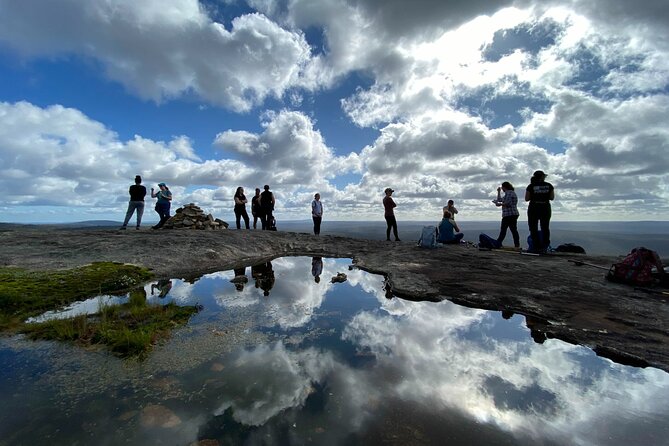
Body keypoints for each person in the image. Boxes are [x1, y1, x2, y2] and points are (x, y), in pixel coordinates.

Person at [525, 170, 554, 253]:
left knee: (533, 227)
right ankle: (544, 246)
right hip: (545, 207)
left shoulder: (531, 186)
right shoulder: (549, 185)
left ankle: (536, 246)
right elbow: (552, 197)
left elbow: (527, 198)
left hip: (533, 207)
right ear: (542, 177)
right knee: (545, 227)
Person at [494, 182, 520, 248]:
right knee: (513, 230)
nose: (502, 189)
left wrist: (499, 204)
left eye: (502, 187)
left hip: (509, 214)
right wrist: (498, 192)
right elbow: (500, 200)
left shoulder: (509, 193)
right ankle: (516, 245)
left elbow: (508, 203)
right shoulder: (509, 193)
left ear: (504, 187)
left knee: (504, 230)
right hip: (512, 214)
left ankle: (498, 243)